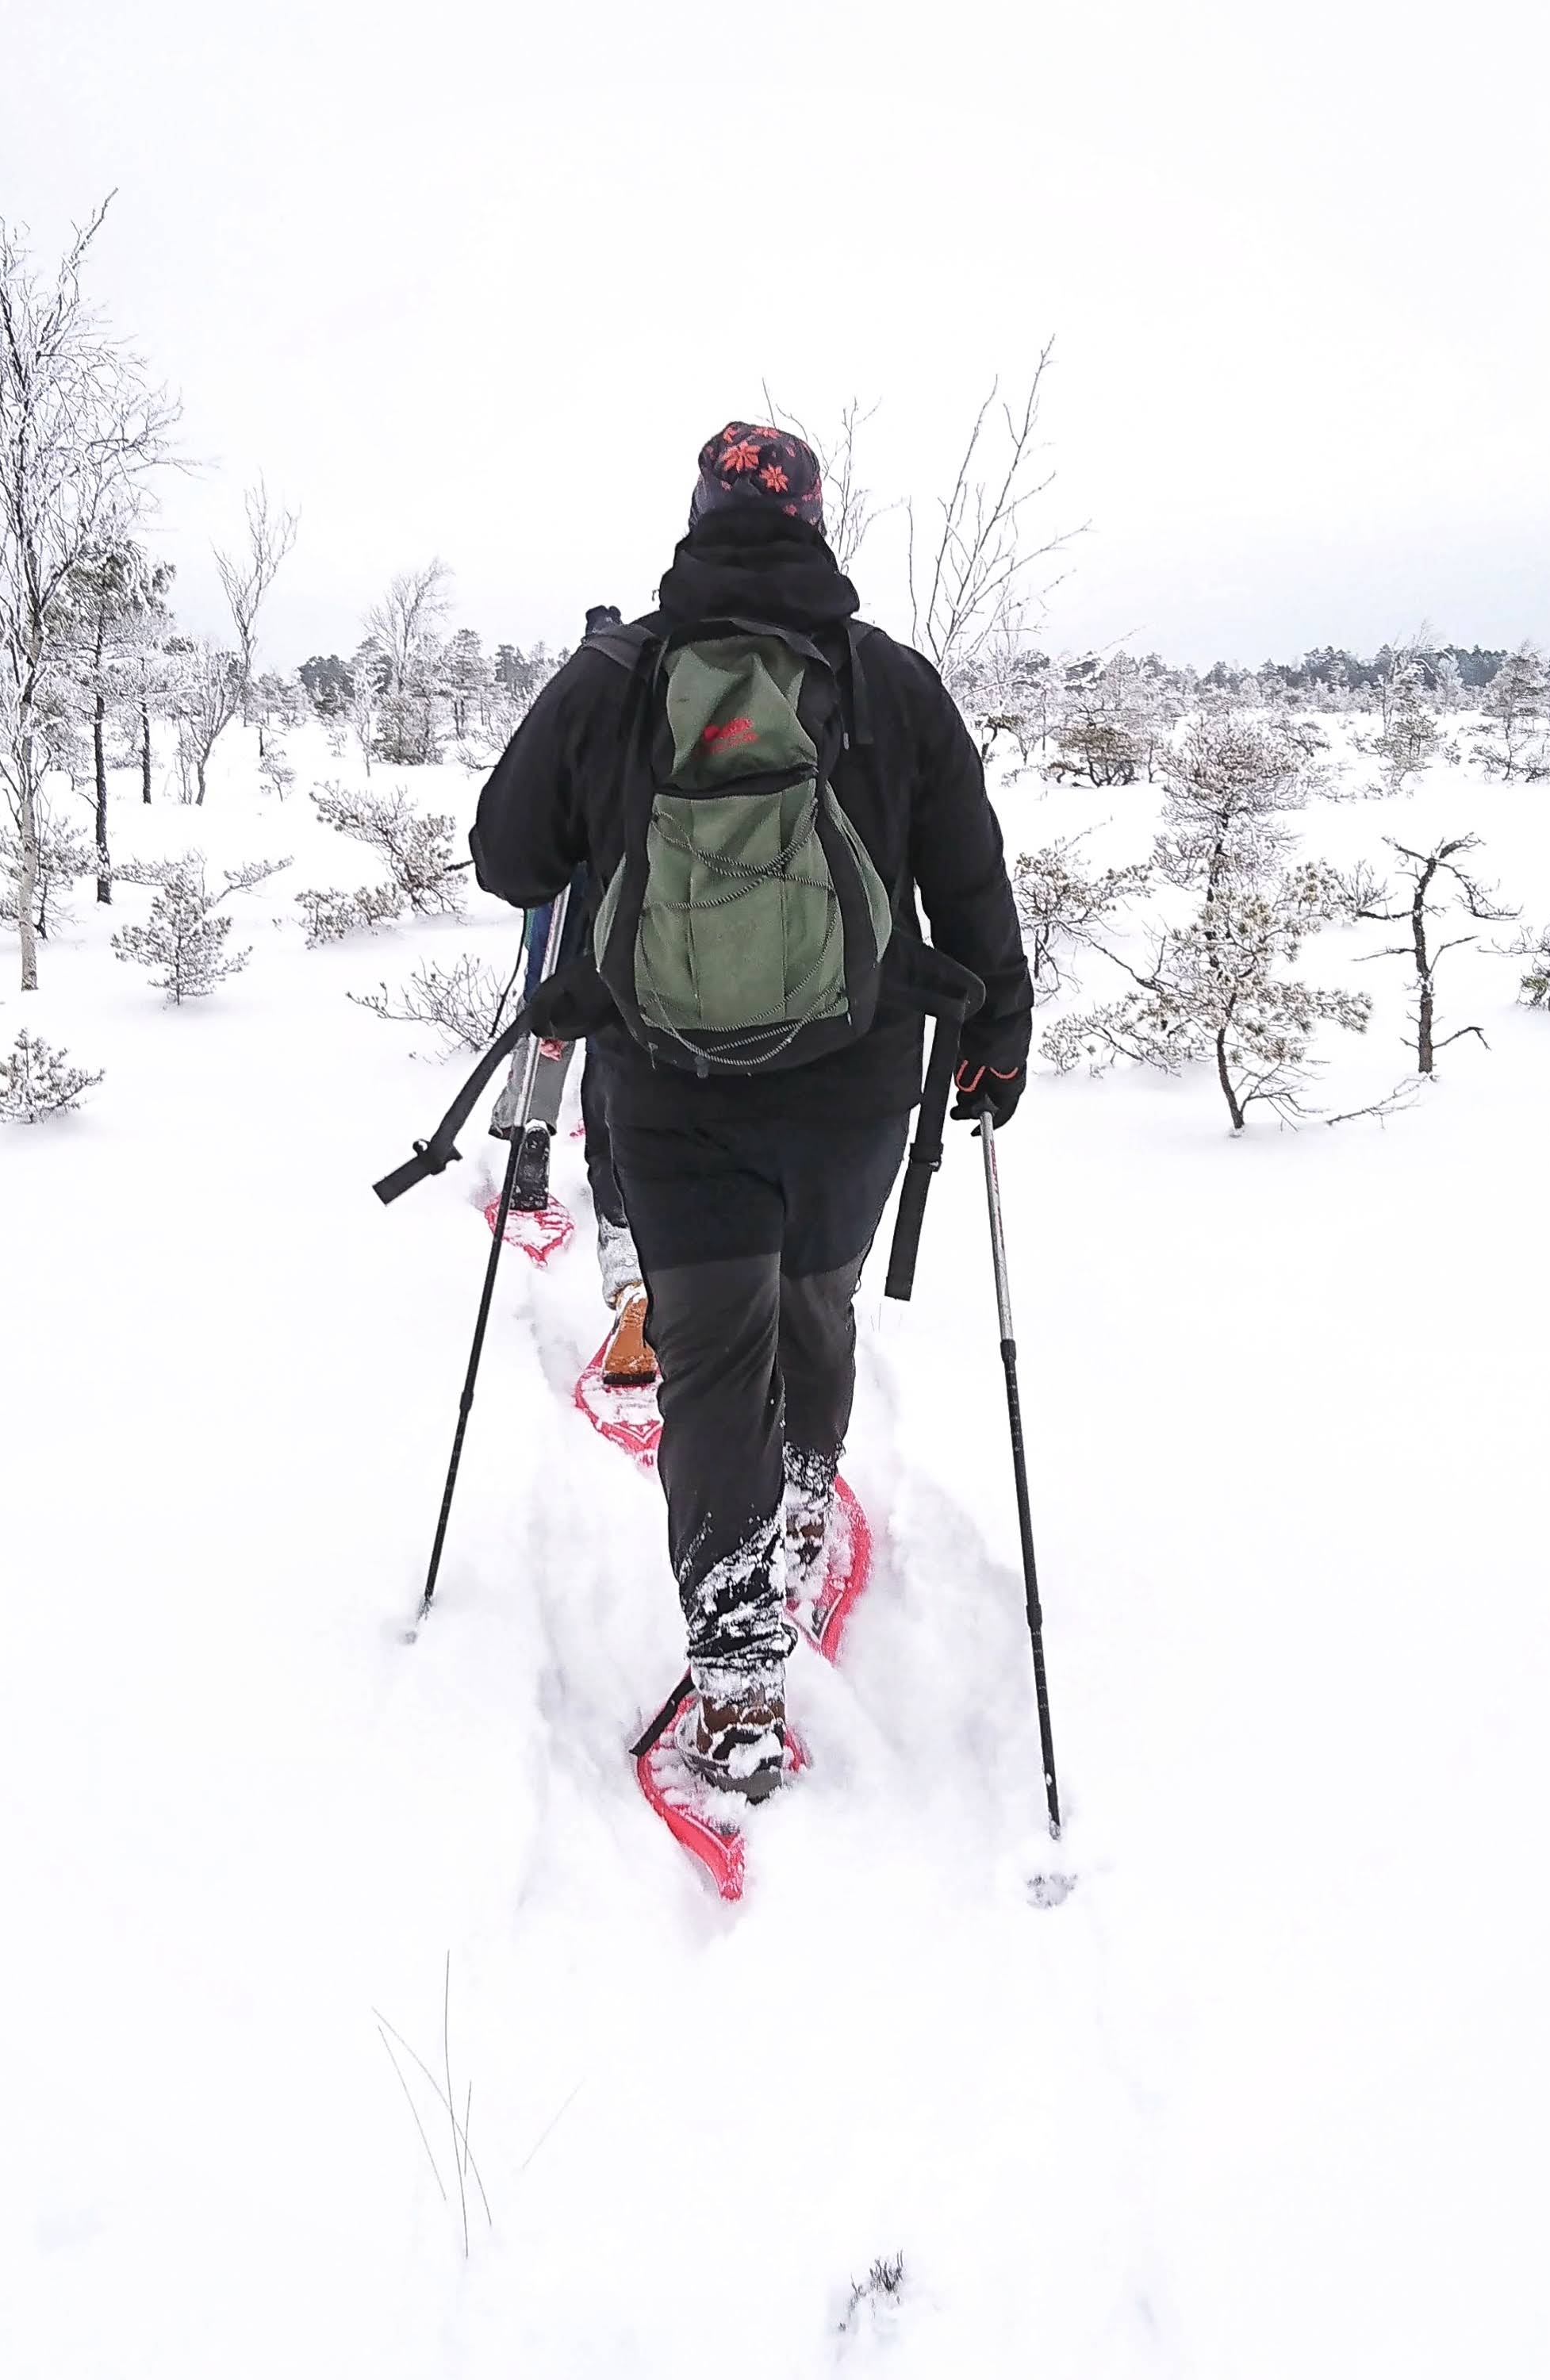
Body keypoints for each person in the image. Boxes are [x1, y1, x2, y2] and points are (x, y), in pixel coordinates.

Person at [470, 421, 1030, 1802]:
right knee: (814, 1314)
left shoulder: (615, 676)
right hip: (852, 1084)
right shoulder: (888, 682)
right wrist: (996, 1033)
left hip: (667, 1090)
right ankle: (792, 1517)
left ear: (696, 517)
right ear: (816, 521)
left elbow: (505, 860)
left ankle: (734, 1683)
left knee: (713, 1358)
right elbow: (967, 868)